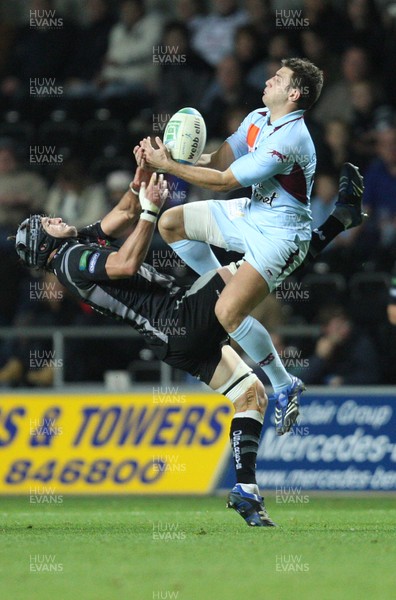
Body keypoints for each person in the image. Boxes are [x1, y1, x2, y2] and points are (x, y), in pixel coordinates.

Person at [12, 169, 275, 528]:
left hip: (174, 339)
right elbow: (126, 262)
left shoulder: (73, 246)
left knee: (251, 395)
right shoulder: (70, 260)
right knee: (262, 261)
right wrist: (152, 212)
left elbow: (122, 213)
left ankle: (245, 489)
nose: (56, 218)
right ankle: (331, 226)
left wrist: (142, 178)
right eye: (48, 223)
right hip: (178, 319)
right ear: (45, 243)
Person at [137, 57, 324, 437]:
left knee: (227, 313)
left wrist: (169, 168)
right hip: (252, 212)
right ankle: (214, 280)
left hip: (281, 236)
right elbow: (221, 160)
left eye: (279, 77)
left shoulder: (291, 139)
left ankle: (284, 383)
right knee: (171, 223)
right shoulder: (257, 118)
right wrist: (172, 158)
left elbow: (223, 181)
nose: (269, 79)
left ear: (294, 93)